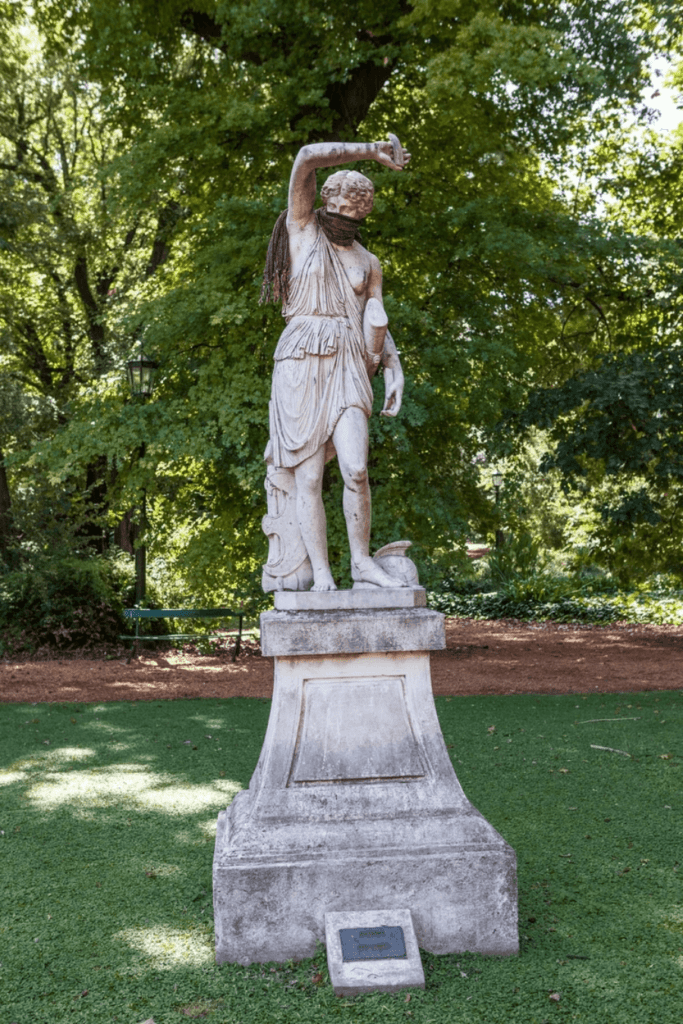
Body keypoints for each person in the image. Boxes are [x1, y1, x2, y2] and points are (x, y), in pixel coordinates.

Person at [261, 139, 410, 592]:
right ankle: (322, 573)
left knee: (356, 468)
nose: (343, 217)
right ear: (324, 201)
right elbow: (305, 156)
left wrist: (393, 366)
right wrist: (371, 151)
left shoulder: (369, 261)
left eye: (354, 214)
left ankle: (361, 562)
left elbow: (374, 314)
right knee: (307, 475)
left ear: (364, 215)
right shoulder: (302, 229)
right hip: (301, 357)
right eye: (338, 208)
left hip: (348, 359)